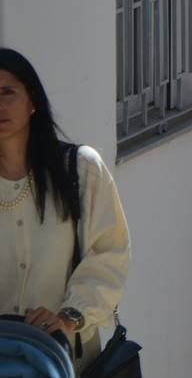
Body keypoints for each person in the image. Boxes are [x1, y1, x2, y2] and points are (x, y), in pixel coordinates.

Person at [0, 48, 131, 371]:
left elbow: (110, 254)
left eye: (8, 92)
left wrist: (69, 316)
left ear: (33, 101)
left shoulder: (81, 170)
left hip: (68, 360)